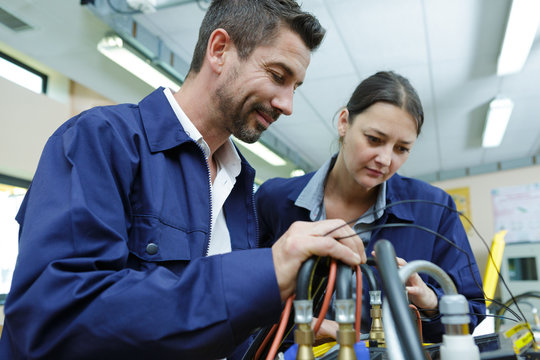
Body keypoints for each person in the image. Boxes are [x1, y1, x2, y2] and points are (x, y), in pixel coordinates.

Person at [0, 1, 366, 359]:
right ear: (220, 50)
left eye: (295, 87)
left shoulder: (239, 185)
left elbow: (200, 324)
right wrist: (265, 271)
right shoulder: (100, 139)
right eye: (277, 76)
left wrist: (279, 327)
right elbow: (56, 320)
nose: (288, 104)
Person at [255, 71, 486, 343]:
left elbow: (472, 313)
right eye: (374, 139)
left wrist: (431, 302)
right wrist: (298, 328)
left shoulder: (434, 210)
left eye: (401, 149)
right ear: (344, 123)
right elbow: (239, 300)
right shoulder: (272, 200)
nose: (385, 159)